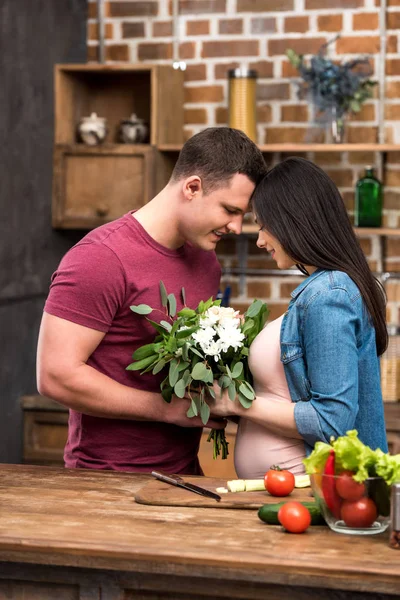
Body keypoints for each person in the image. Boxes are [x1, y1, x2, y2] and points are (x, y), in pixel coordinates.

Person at [37, 127, 267, 474]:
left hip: (185, 473)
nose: (236, 227)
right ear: (192, 187)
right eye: (229, 210)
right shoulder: (101, 258)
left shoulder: (206, 261)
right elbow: (55, 376)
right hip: (106, 478)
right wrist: (166, 409)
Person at [209, 157, 388, 479]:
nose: (260, 240)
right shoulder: (321, 291)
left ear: (293, 220)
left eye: (263, 225)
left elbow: (332, 422)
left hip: (310, 495)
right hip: (291, 495)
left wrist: (236, 403)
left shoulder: (328, 295)